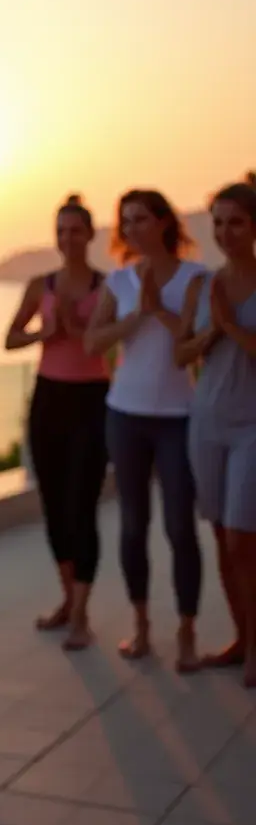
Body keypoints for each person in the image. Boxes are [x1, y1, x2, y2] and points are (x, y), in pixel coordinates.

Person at [84, 188, 206, 673]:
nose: (131, 228)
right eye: (125, 221)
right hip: (125, 415)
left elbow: (194, 346)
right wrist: (136, 314)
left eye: (139, 219)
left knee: (180, 527)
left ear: (163, 223)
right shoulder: (118, 282)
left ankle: (188, 631)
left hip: (178, 417)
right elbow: (93, 341)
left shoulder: (198, 278)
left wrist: (158, 309)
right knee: (133, 525)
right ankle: (140, 626)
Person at [5, 194, 110, 650]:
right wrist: (43, 332)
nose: (68, 239)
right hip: (48, 400)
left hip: (92, 400)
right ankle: (69, 600)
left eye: (76, 231)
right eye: (61, 231)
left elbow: (111, 348)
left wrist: (78, 327)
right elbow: (10, 338)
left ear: (90, 235)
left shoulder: (108, 288)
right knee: (52, 506)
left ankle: (81, 614)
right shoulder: (39, 286)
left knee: (81, 506)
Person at [175, 174, 256, 687]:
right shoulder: (201, 286)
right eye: (219, 223)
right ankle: (242, 638)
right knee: (222, 536)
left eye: (237, 223)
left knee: (244, 542)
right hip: (206, 421)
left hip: (252, 426)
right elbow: (179, 354)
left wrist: (230, 327)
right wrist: (210, 331)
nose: (226, 233)